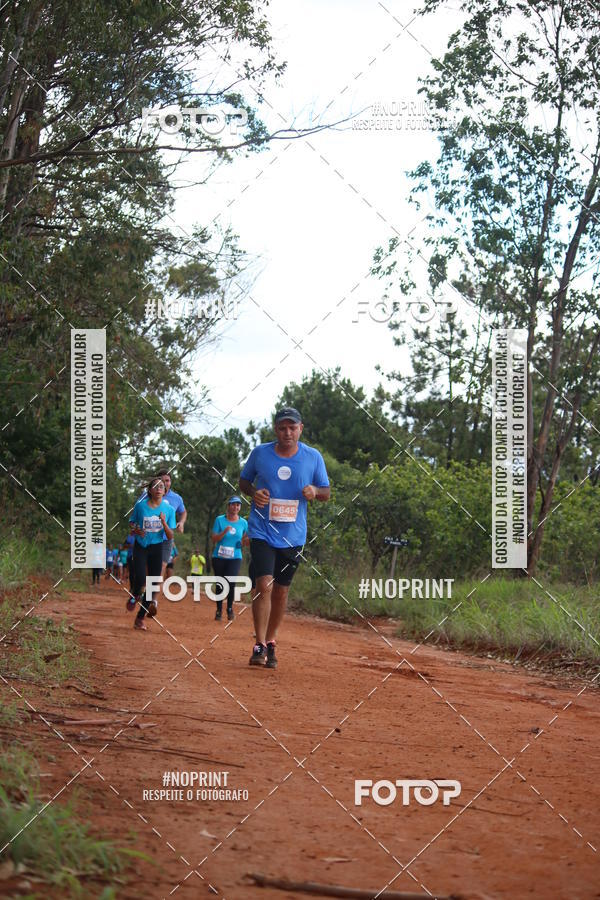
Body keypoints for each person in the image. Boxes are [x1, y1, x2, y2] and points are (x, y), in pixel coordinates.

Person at [239, 407, 330, 668]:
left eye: (292, 427)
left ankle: (271, 640)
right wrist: (254, 493)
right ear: (275, 429)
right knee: (264, 585)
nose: (287, 433)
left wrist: (314, 491)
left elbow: (326, 492)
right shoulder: (260, 453)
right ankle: (258, 643)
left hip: (293, 536)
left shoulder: (313, 457)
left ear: (301, 429)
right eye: (282, 428)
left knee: (280, 591)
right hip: (262, 530)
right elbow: (244, 482)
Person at [128, 475, 176, 630]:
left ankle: (140, 618)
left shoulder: (169, 510)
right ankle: (136, 593)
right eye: (155, 486)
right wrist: (136, 529)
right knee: (141, 577)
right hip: (141, 546)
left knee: (153, 584)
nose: (159, 489)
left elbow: (170, 535)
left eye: (161, 487)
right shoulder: (140, 506)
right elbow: (131, 523)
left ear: (165, 491)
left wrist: (164, 522)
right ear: (149, 490)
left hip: (157, 547)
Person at [211, 496, 249, 622]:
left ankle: (229, 608)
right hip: (219, 557)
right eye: (233, 504)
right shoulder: (219, 520)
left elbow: (246, 539)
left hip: (235, 557)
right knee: (220, 583)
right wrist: (224, 532)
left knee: (231, 582)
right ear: (228, 506)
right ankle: (219, 610)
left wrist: (243, 542)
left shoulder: (243, 523)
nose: (235, 507)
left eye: (238, 505)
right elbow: (214, 538)